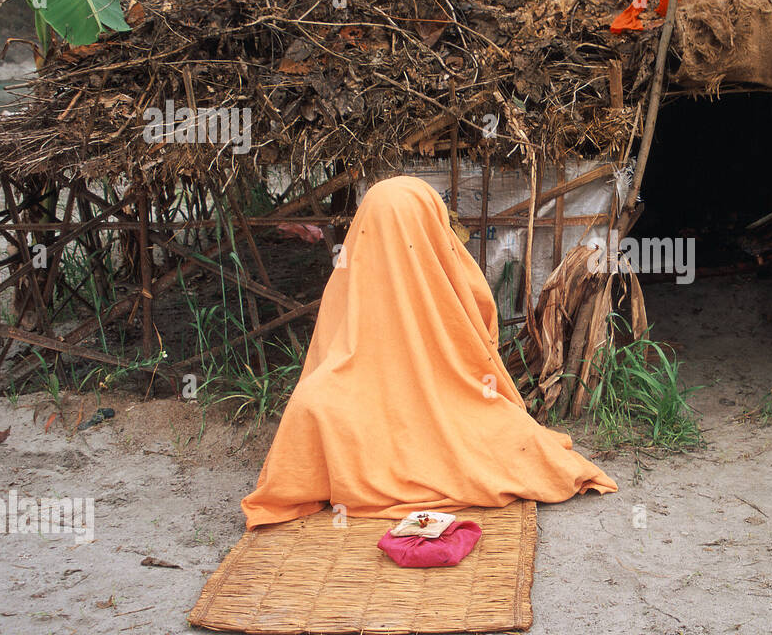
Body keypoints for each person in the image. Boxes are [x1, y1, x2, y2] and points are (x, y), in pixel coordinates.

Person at [241, 176, 617, 528]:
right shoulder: (384, 268)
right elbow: (483, 323)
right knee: (317, 402)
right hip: (393, 392)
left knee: (315, 403)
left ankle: (392, 452)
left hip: (423, 396)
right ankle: (430, 449)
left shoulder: (428, 267)